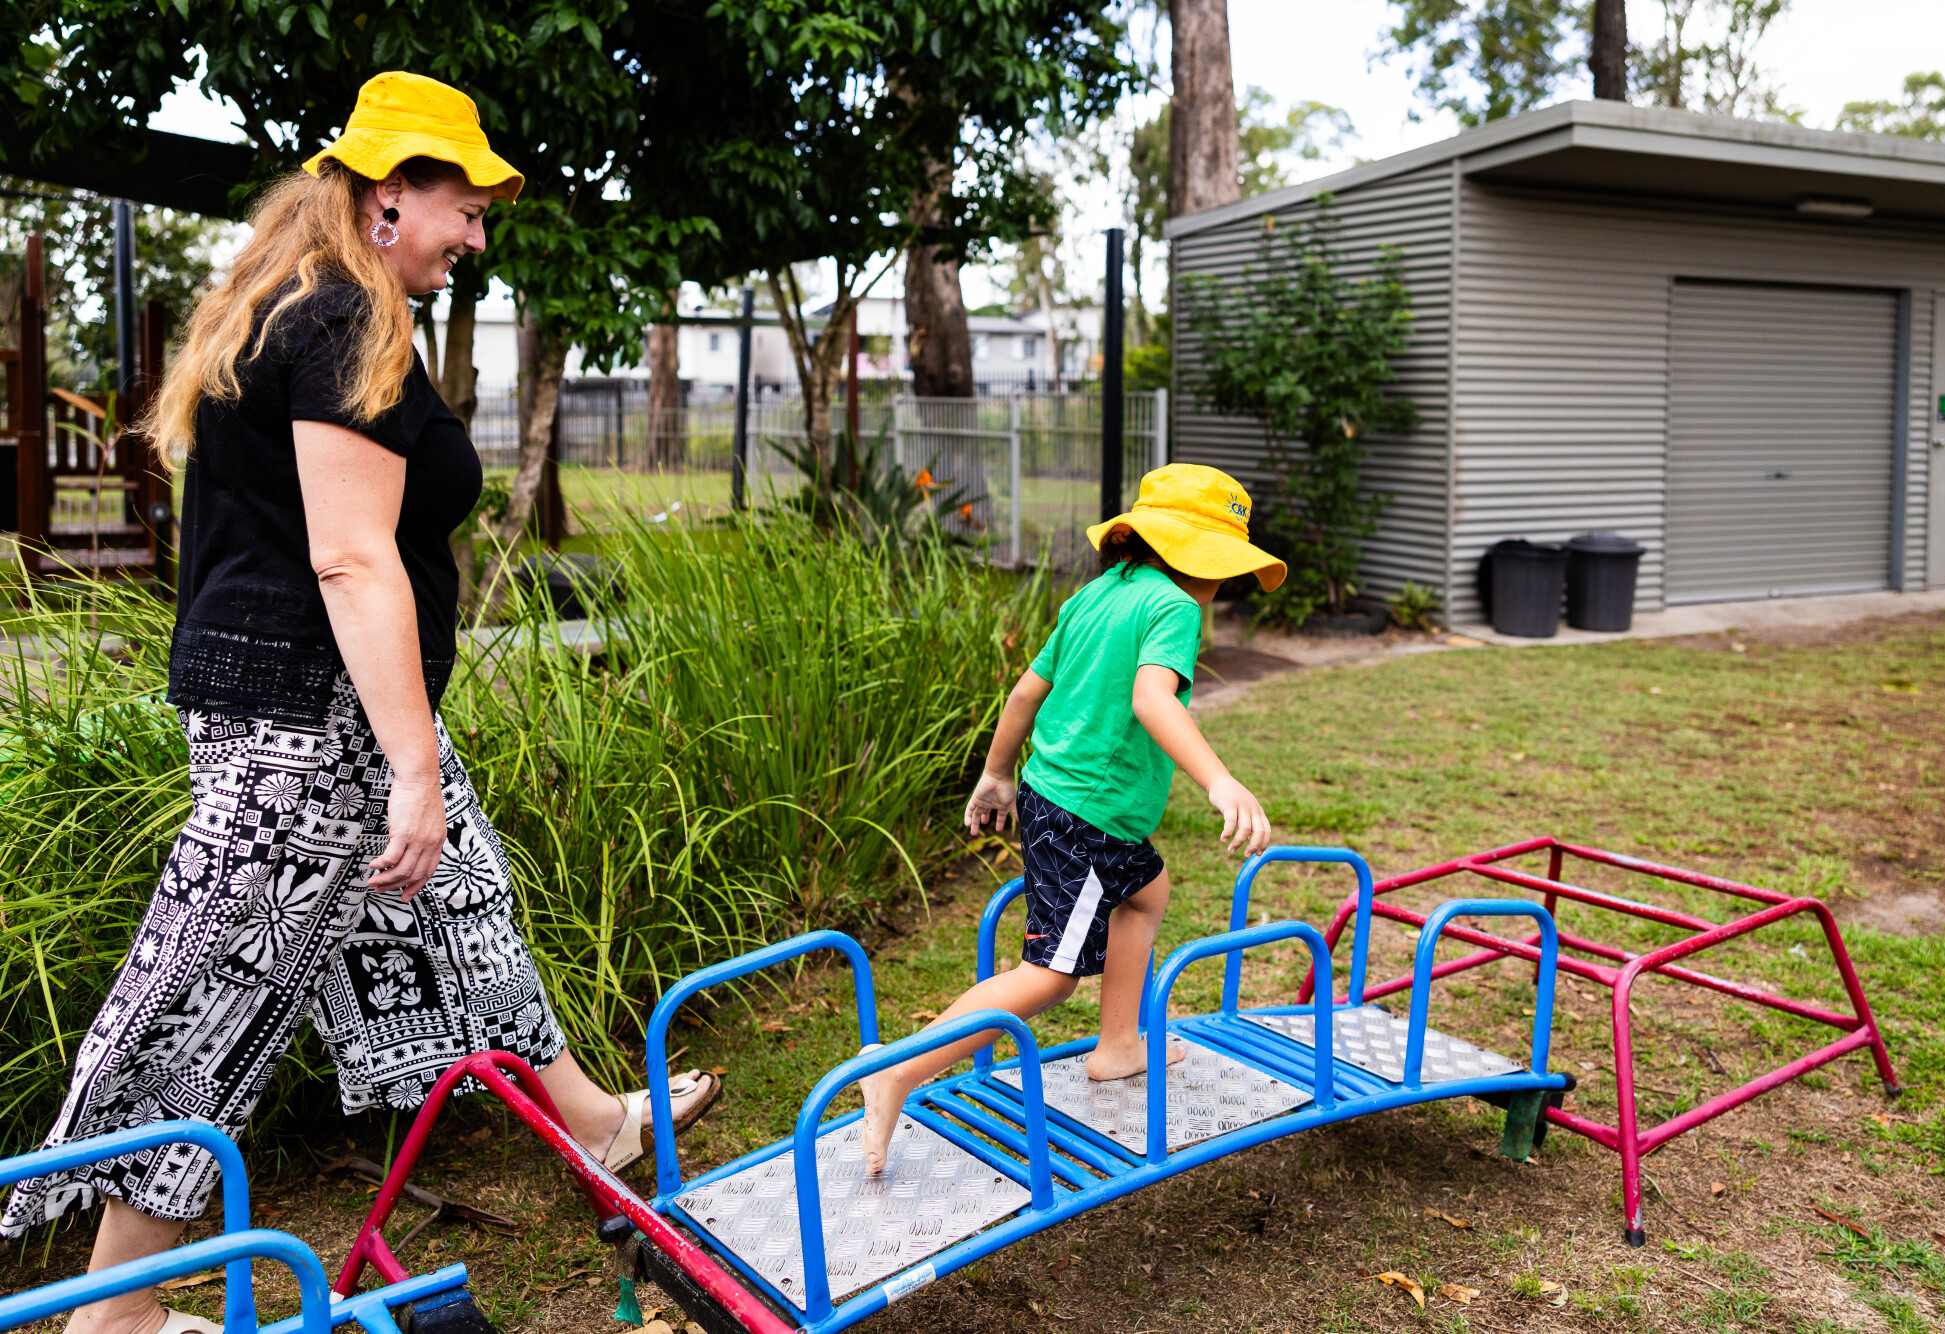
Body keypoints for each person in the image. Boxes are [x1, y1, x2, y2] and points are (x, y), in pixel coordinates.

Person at [0, 72, 720, 1334]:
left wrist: (414, 758)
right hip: (305, 722)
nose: (477, 235)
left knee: (465, 897)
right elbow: (348, 553)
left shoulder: (304, 298)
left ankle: (597, 1123)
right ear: (391, 197)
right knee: (210, 996)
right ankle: (110, 1314)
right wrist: (410, 764)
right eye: (466, 207)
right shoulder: (342, 320)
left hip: (303, 703)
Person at [857, 463, 1285, 1174]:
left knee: (1147, 892)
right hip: (1089, 816)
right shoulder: (1175, 609)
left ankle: (1118, 1046)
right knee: (1049, 977)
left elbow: (1025, 693)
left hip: (1057, 795)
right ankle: (897, 1071)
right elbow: (1154, 701)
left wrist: (996, 775)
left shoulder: (1094, 595)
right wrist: (1220, 779)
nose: (1221, 588)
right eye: (1221, 570)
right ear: (1190, 558)